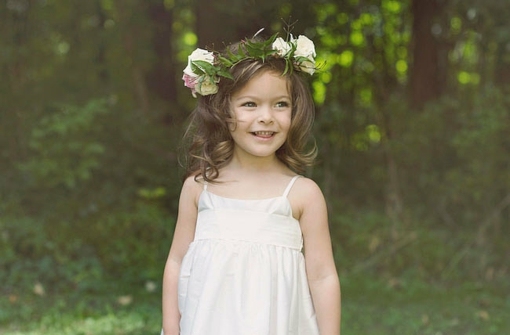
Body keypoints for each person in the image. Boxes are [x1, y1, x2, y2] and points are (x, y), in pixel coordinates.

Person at [161, 31, 341, 335]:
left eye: (280, 104)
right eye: (250, 104)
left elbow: (323, 276)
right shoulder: (199, 187)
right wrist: (171, 328)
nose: (267, 117)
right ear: (222, 109)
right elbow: (177, 262)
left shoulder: (302, 195)